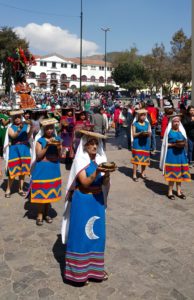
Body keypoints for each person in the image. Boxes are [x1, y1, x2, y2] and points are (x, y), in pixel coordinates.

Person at [61, 130, 115, 286]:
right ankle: (78, 273)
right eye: (90, 143)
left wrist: (107, 175)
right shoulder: (80, 160)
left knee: (97, 235)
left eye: (96, 143)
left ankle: (95, 270)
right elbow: (84, 182)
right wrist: (97, 171)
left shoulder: (100, 159)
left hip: (96, 201)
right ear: (84, 146)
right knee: (81, 236)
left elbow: (104, 183)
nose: (94, 146)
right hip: (83, 201)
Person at [30, 118, 62, 225]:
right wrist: (47, 146)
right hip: (42, 169)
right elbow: (38, 156)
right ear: (44, 129)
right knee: (42, 191)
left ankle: (47, 213)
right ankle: (40, 214)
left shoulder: (57, 139)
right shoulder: (40, 141)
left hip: (53, 169)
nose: (50, 130)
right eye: (47, 128)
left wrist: (58, 147)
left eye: (51, 128)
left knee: (50, 191)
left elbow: (60, 155)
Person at [160, 114, 191, 200]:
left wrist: (183, 144)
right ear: (172, 122)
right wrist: (174, 144)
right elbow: (165, 144)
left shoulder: (182, 131)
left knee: (180, 174)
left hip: (181, 155)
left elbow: (185, 142)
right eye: (175, 121)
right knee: (173, 174)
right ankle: (170, 192)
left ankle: (179, 191)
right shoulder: (168, 132)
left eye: (178, 121)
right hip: (171, 155)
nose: (177, 123)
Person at [4, 110, 33, 197]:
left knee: (23, 171)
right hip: (15, 150)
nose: (17, 119)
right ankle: (8, 189)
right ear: (13, 118)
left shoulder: (26, 125)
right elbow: (13, 136)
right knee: (12, 170)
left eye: (18, 117)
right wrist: (20, 128)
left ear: (21, 117)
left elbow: (28, 137)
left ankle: (20, 189)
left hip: (24, 149)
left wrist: (31, 128)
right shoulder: (10, 127)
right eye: (15, 117)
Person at [131, 109, 151, 181]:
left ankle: (143, 173)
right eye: (142, 115)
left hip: (145, 143)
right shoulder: (135, 124)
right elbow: (133, 135)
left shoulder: (147, 124)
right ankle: (134, 174)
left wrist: (148, 134)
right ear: (138, 116)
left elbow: (149, 133)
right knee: (136, 160)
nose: (143, 116)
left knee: (144, 159)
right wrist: (140, 133)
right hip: (137, 143)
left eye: (144, 115)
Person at [0, 108, 10, 178]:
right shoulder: (2, 116)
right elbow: (4, 123)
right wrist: (10, 120)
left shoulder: (6, 116)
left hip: (4, 135)